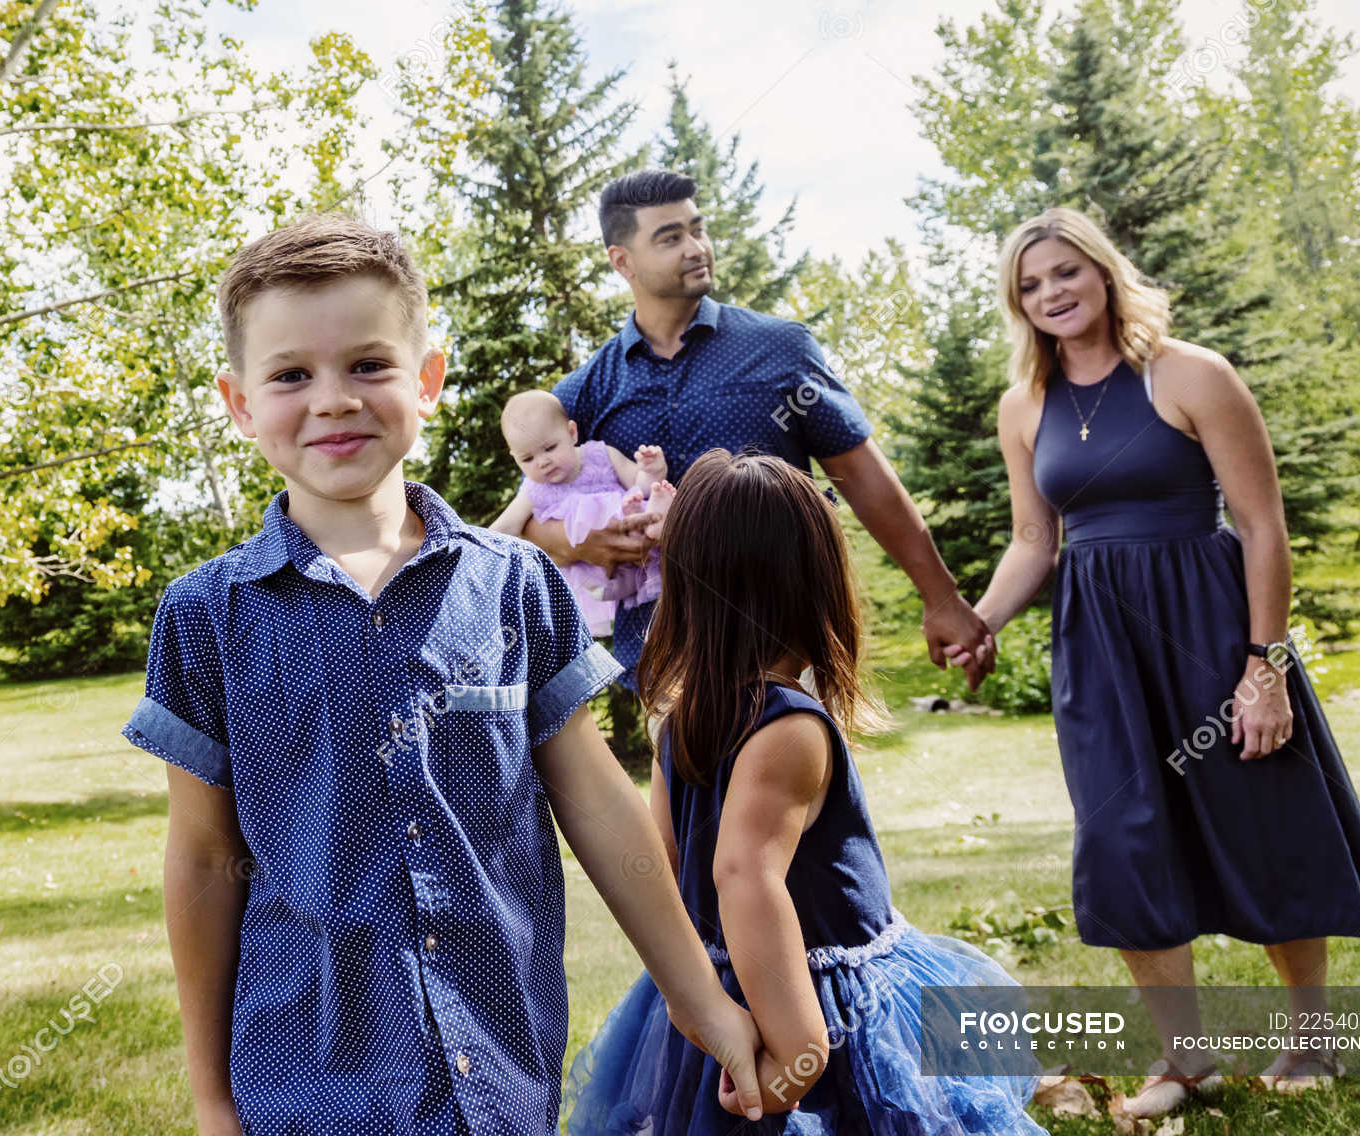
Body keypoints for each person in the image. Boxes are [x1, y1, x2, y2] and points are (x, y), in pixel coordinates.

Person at [119, 214, 770, 1136]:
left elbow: (596, 805)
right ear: (238, 402)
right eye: (291, 375)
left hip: (500, 1070)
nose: (334, 399)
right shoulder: (206, 617)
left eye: (369, 366)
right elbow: (203, 858)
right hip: (303, 1087)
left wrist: (699, 1002)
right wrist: (213, 1098)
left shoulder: (515, 585)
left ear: (427, 381)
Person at [950, 207, 1360, 1117]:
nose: (1052, 294)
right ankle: (1184, 1062)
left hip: (1206, 621)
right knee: (1120, 840)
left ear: (1104, 271)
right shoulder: (1023, 406)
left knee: (1264, 817)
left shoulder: (1190, 373)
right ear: (1017, 303)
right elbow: (1036, 538)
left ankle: (1312, 1044)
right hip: (1099, 645)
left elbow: (1262, 525)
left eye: (1066, 272)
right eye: (1031, 285)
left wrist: (1262, 666)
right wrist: (981, 621)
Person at [563, 450, 1047, 1135]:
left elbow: (660, 866)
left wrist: (686, 994)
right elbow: (744, 875)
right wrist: (800, 1047)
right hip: (815, 1003)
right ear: (817, 584)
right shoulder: (789, 728)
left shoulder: (682, 716)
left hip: (723, 993)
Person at [517, 169, 992, 695]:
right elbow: (530, 512)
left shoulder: (782, 350)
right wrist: (583, 540)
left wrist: (941, 597)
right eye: (671, 237)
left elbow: (860, 476)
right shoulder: (585, 391)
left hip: (789, 650)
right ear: (622, 261)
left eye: (698, 229)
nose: (697, 247)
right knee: (680, 783)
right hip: (664, 665)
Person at [490, 389, 675, 636]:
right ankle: (652, 530)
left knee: (639, 502)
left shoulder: (601, 454)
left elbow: (637, 483)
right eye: (528, 458)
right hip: (593, 571)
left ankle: (658, 521)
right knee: (607, 587)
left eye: (550, 448)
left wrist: (652, 471)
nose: (542, 462)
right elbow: (504, 528)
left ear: (571, 433)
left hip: (635, 534)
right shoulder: (534, 490)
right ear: (515, 459)